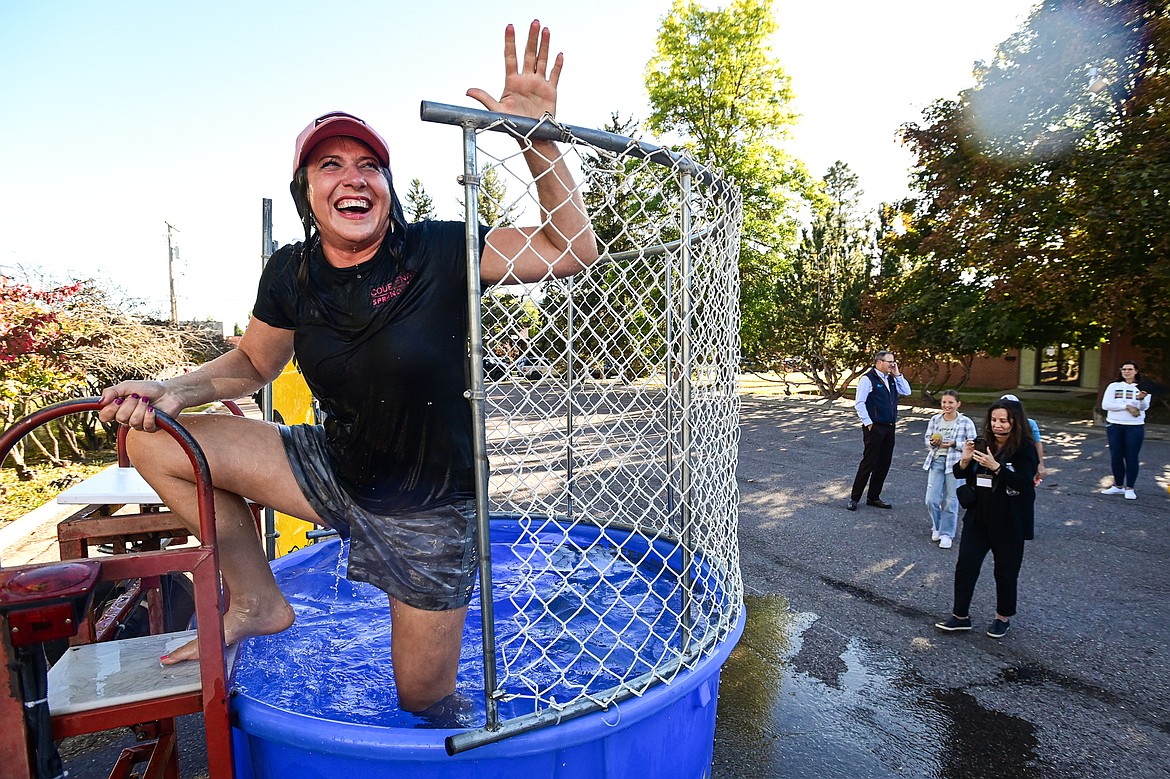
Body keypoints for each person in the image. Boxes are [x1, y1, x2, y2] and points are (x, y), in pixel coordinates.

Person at [97, 20, 598, 715]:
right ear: (308, 192)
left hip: (429, 508)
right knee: (152, 435)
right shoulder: (291, 272)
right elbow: (251, 363)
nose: (353, 177)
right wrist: (172, 388)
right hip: (332, 468)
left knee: (424, 699)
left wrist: (537, 140)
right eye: (330, 165)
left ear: (387, 186)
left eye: (369, 165)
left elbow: (569, 248)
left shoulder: (440, 251)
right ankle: (258, 598)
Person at [935, 400, 1038, 639]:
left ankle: (1003, 617)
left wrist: (997, 467)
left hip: (1010, 520)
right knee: (966, 566)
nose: (997, 425)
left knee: (1005, 571)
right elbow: (963, 473)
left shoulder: (1025, 448)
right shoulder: (984, 443)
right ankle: (960, 616)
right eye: (994, 420)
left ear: (1015, 421)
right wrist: (965, 459)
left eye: (1003, 421)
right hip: (979, 516)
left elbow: (1023, 483)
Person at [848, 351, 911, 510]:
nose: (892, 364)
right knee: (869, 463)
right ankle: (854, 498)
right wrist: (869, 423)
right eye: (890, 362)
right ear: (879, 362)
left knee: (884, 463)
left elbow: (906, 392)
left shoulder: (891, 378)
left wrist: (898, 375)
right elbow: (860, 403)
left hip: (890, 427)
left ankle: (873, 497)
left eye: (894, 362)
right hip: (875, 428)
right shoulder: (867, 379)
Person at [921, 390, 976, 549]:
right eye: (944, 402)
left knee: (951, 500)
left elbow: (972, 445)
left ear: (958, 404)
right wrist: (933, 443)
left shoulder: (966, 422)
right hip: (937, 460)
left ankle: (947, 533)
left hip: (956, 463)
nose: (947, 405)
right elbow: (927, 439)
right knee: (931, 499)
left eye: (951, 402)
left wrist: (954, 444)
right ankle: (937, 526)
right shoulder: (935, 419)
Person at [1099, 361, 1152, 500]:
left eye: (1130, 369)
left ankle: (1130, 488)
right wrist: (1127, 406)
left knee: (1131, 457)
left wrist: (1140, 399)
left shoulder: (1142, 387)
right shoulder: (1114, 386)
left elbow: (1144, 407)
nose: (1126, 372)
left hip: (1134, 426)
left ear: (1136, 371)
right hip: (1114, 425)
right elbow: (1106, 405)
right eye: (1124, 369)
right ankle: (1117, 486)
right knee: (1116, 456)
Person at [1000, 393, 1046, 485]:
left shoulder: (1029, 423)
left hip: (1021, 462)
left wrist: (1040, 465)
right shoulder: (996, 422)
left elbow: (1037, 443)